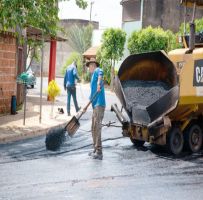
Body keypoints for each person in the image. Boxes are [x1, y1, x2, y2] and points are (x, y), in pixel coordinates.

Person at [86, 58, 106, 160]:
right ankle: (95, 148)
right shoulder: (92, 76)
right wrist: (87, 105)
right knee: (93, 127)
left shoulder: (97, 71)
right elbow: (92, 93)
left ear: (93, 65)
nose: (89, 67)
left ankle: (99, 152)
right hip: (94, 105)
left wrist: (99, 83)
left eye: (90, 65)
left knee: (97, 127)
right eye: (89, 66)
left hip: (100, 104)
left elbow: (101, 74)